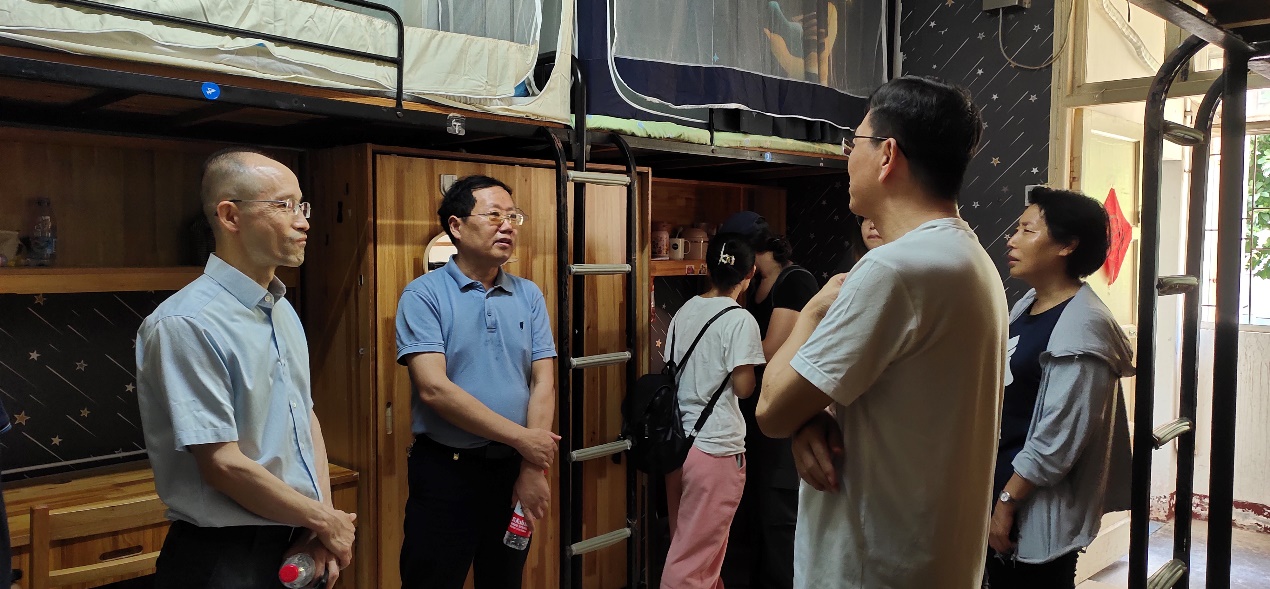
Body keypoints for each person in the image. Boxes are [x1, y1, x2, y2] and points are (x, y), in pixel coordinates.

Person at [755, 76, 1008, 589]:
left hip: (872, 570)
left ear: (887, 155)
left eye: (854, 143)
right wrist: (811, 418)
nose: (848, 157)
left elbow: (771, 410)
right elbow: (899, 406)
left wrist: (812, 312)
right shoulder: (971, 261)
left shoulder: (893, 270)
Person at [136, 148, 355, 589]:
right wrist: (323, 519)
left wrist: (319, 524)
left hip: (297, 536)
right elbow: (221, 462)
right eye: (284, 205)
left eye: (302, 205)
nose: (303, 222)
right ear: (230, 216)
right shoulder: (187, 322)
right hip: (224, 557)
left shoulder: (280, 308)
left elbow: (304, 419)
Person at [395, 175, 558, 589]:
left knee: (504, 580)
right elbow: (434, 389)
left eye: (513, 217)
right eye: (494, 215)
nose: (508, 226)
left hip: (512, 470)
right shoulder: (423, 294)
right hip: (447, 472)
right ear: (456, 225)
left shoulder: (528, 294)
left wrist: (532, 466)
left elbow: (543, 383)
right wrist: (526, 441)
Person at [986, 188, 1133, 588]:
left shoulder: (1084, 326)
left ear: (1067, 245)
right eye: (1016, 229)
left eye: (1027, 230)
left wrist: (1007, 503)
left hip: (1029, 507)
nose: (1011, 240)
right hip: (1001, 488)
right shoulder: (1028, 305)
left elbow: (1058, 439)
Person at [718, 212, 817, 589]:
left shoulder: (795, 280)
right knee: (756, 513)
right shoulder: (757, 283)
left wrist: (722, 355)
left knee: (779, 515)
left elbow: (774, 349)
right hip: (753, 414)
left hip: (782, 412)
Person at [662, 233, 767, 589]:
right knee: (691, 564)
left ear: (708, 268)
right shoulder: (740, 320)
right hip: (716, 450)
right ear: (750, 273)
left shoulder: (684, 311)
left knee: (692, 551)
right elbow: (744, 387)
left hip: (678, 447)